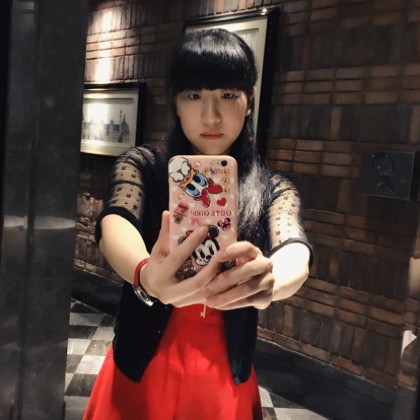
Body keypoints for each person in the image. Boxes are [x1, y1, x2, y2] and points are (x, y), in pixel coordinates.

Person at [84, 28, 312, 420]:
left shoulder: (271, 188)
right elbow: (115, 222)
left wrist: (271, 279)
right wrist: (145, 274)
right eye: (193, 96)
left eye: (228, 95)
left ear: (249, 101)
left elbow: (294, 246)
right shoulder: (144, 166)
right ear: (175, 103)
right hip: (142, 370)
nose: (211, 115)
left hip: (224, 382)